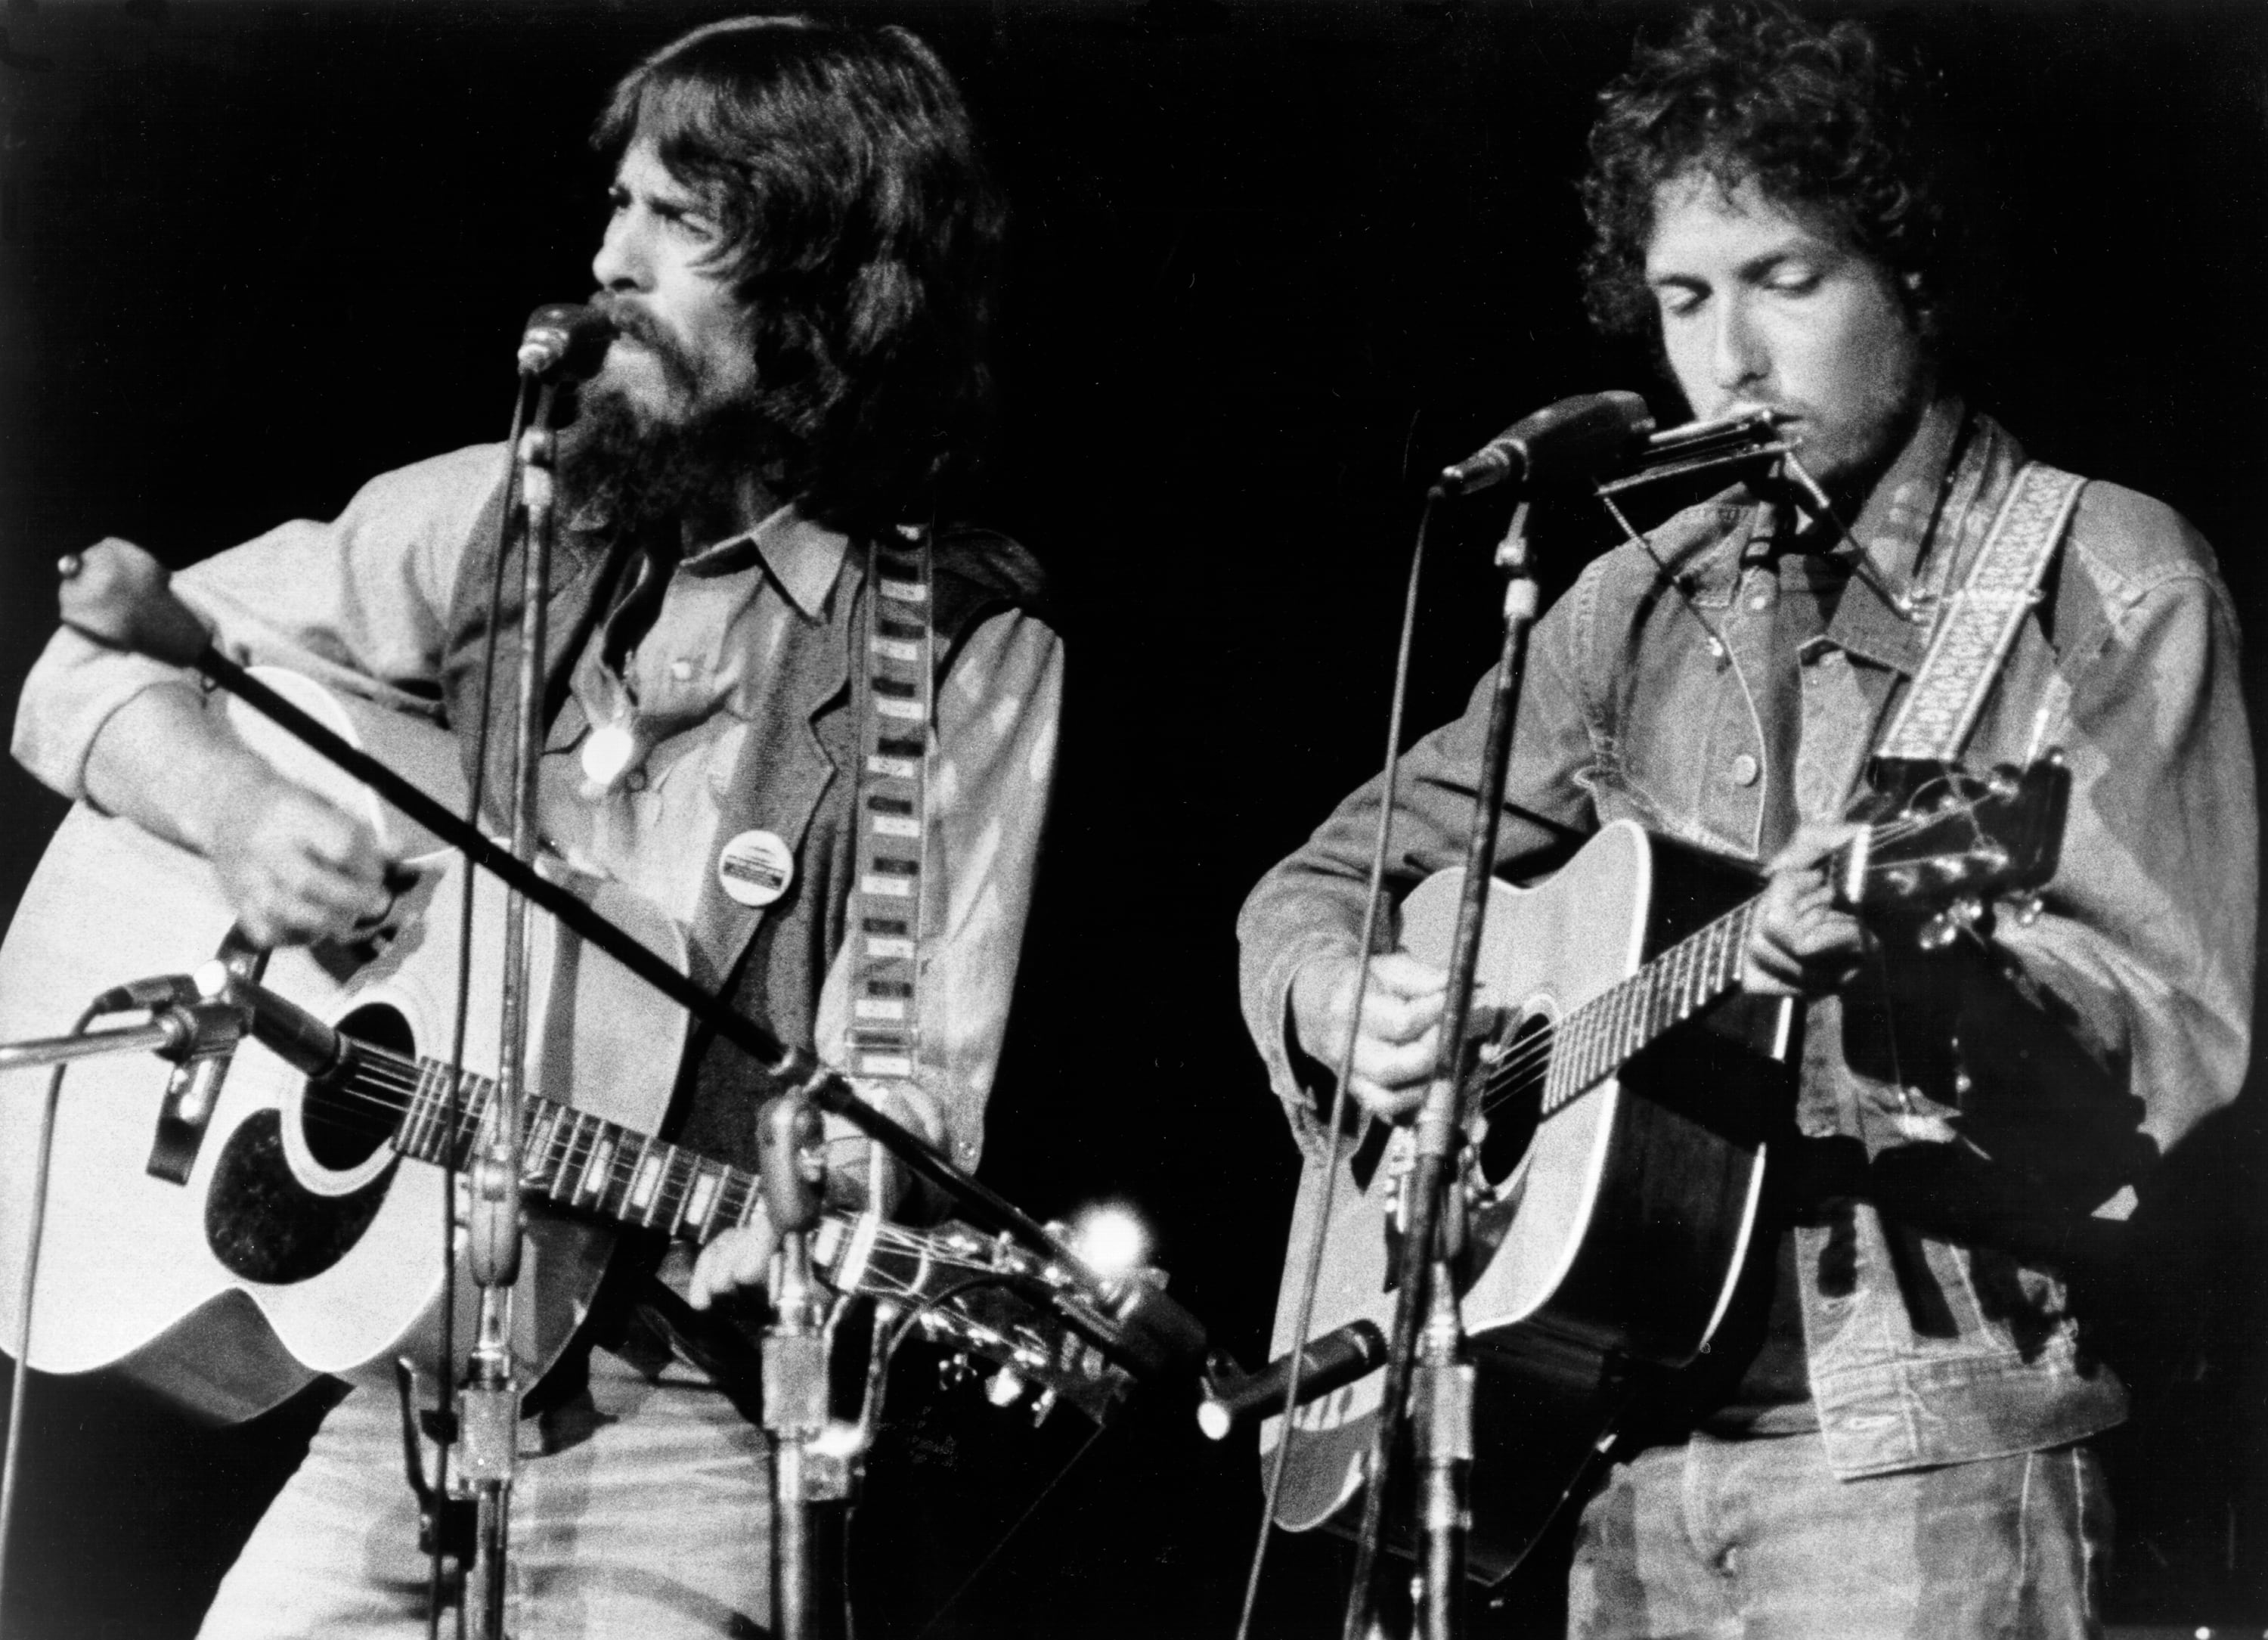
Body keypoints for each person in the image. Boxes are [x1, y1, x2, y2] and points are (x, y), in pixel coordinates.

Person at [12, 16, 1059, 1638]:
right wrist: (239, 812)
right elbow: (81, 672)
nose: (604, 260)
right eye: (617, 205)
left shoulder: (958, 645)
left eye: (675, 219)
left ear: (828, 284)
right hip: (418, 1380)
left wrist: (817, 1206)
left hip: (697, 1414)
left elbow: (914, 1089)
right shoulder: (505, 513)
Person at [1236, 4, 2254, 1635]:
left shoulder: (2101, 575)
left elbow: (2170, 1047)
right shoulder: (1631, 600)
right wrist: (1329, 992)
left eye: (1787, 280)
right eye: (1683, 299)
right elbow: (1329, 876)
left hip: (1922, 1463)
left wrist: (1901, 982)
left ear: (1908, 274)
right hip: (1614, 1450)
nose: (1731, 356)